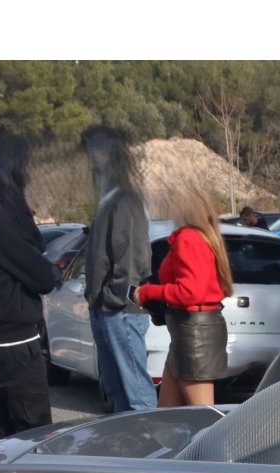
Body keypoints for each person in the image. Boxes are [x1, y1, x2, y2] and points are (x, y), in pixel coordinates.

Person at [0, 135, 59, 441]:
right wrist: (51, 270)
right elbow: (42, 276)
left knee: (3, 428)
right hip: (13, 341)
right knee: (34, 433)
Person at [134, 189, 233, 408]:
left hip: (193, 332)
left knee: (203, 417)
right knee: (167, 416)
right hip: (190, 330)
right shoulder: (202, 236)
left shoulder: (189, 238)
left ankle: (213, 445)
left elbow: (191, 292)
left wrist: (149, 292)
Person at [82, 126, 154, 413]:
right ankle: (130, 453)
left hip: (120, 312)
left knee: (138, 398)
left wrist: (114, 296)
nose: (91, 158)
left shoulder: (126, 197)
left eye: (96, 150)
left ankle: (152, 456)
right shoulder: (109, 197)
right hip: (105, 309)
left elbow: (131, 255)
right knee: (116, 392)